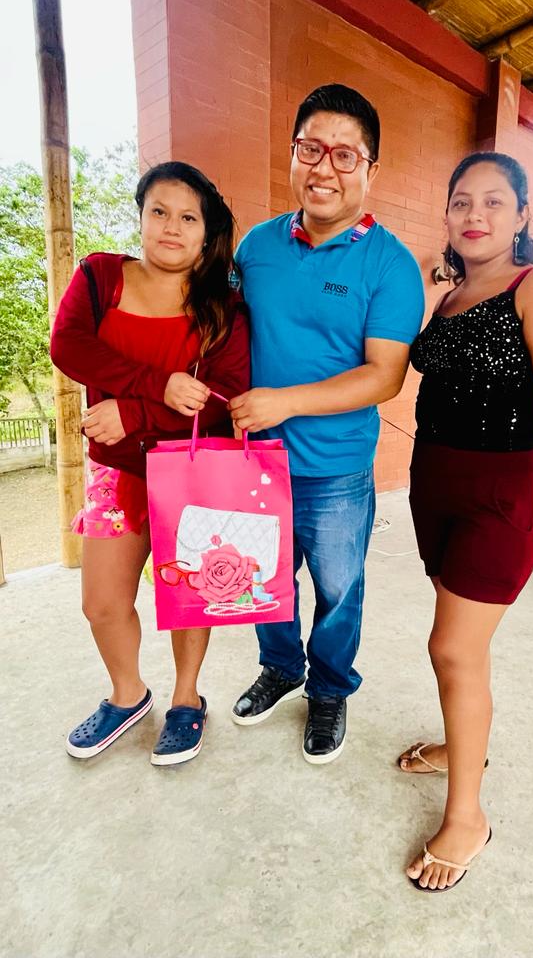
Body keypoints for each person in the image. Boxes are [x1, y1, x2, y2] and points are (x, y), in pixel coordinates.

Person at [399, 151, 533, 891]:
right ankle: (462, 745)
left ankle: (467, 817)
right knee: (464, 647)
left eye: (494, 202)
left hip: (501, 491)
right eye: (461, 202)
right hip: (434, 483)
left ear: (522, 216)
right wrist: (427, 277)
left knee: (450, 647)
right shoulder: (448, 295)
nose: (475, 214)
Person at [229, 84, 424, 764]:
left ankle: (331, 688)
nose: (325, 168)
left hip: (336, 468)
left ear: (371, 170)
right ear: (292, 155)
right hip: (253, 464)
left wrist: (284, 402)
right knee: (264, 580)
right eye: (311, 148)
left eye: (345, 155)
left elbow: (385, 375)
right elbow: (215, 332)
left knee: (339, 591)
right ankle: (282, 668)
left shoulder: (390, 264)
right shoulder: (256, 247)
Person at [50, 161, 250, 766]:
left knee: (190, 596)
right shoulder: (100, 276)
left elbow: (223, 398)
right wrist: (156, 386)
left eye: (188, 218)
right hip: (116, 471)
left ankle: (187, 698)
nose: (171, 227)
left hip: (190, 470)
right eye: (159, 211)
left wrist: (135, 412)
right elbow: (69, 346)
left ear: (206, 234)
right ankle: (128, 694)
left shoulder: (224, 307)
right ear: (140, 216)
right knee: (102, 602)